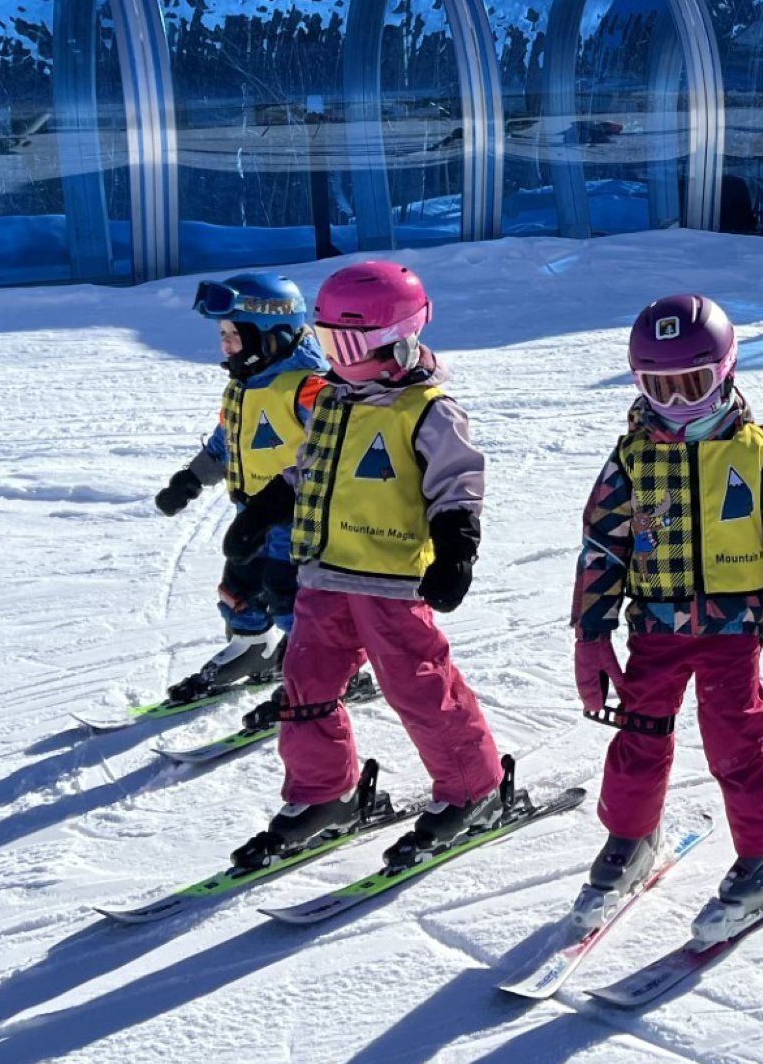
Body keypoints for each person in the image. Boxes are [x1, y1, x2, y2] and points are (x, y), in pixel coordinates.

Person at [229, 260, 516, 874]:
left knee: (418, 688)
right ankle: (322, 793)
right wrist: (262, 511)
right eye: (330, 341)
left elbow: (458, 484)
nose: (337, 356)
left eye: (351, 344)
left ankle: (476, 788)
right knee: (305, 691)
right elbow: (309, 470)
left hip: (389, 581)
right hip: (323, 575)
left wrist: (456, 547)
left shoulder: (428, 409)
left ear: (400, 337)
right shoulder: (335, 399)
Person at [569, 295, 763, 943]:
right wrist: (592, 632)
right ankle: (631, 836)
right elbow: (602, 544)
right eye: (659, 388)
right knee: (637, 733)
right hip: (653, 625)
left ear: (724, 371)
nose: (677, 403)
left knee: (735, 737)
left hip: (731, 628)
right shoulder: (631, 457)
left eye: (692, 385)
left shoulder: (754, 451)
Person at [150, 273, 324, 713]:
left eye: (233, 334)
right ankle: (253, 648)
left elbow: (335, 449)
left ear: (270, 336)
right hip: (251, 514)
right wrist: (188, 481)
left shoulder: (309, 388)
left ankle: (321, 669)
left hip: (297, 516)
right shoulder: (241, 388)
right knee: (238, 585)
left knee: (288, 594)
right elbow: (223, 444)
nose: (225, 344)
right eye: (222, 334)